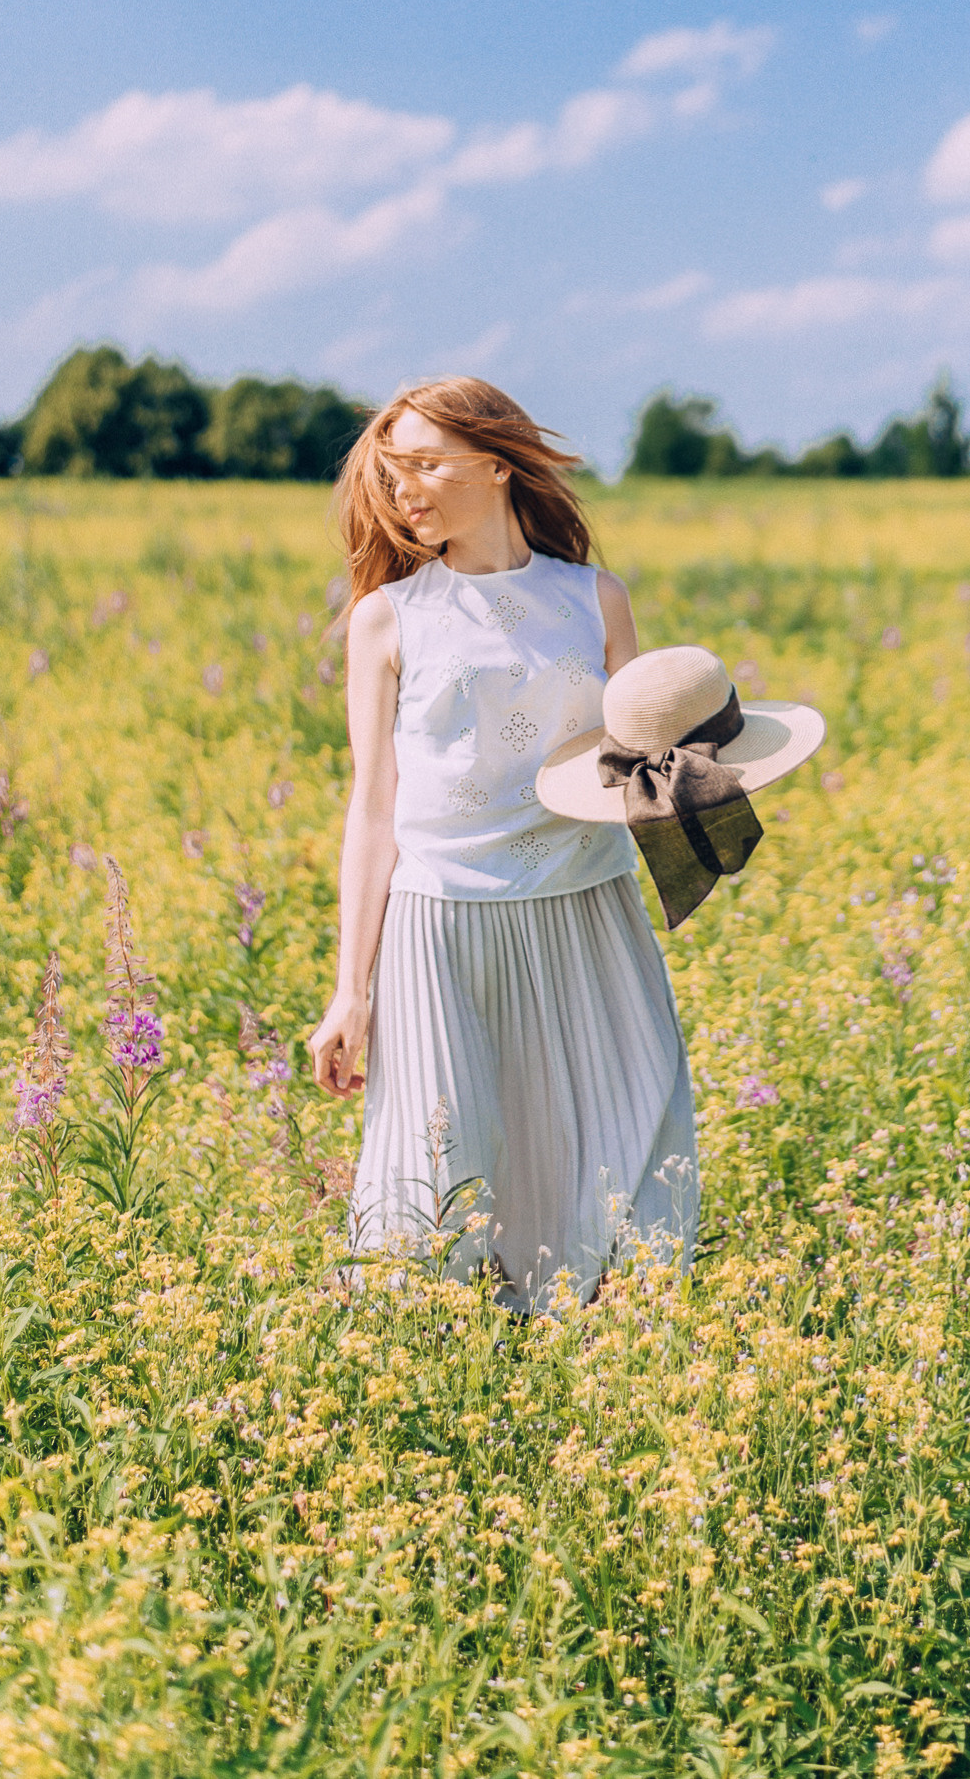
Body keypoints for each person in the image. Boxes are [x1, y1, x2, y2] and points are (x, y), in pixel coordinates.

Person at [307, 376, 697, 1310]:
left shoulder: (594, 597)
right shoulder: (387, 618)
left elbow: (638, 755)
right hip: (440, 920)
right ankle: (413, 1359)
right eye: (392, 472)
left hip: (586, 907)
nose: (402, 490)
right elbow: (371, 807)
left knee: (619, 1133)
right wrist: (347, 991)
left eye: (424, 465)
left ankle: (598, 1347)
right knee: (437, 1155)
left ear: (495, 460)